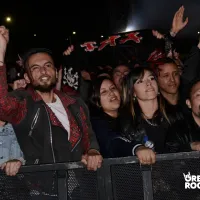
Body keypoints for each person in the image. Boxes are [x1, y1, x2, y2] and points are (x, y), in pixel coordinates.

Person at [0, 26, 102, 171]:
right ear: (27, 78)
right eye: (35, 68)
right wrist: (0, 52)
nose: (43, 71)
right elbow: (2, 105)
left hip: (81, 187)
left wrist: (93, 151)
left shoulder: (75, 103)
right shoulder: (23, 103)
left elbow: (89, 137)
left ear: (55, 72)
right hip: (43, 189)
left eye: (48, 65)